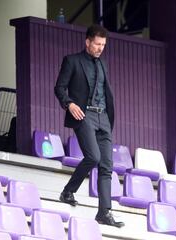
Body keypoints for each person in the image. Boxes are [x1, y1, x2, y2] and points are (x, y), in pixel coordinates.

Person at [54, 25, 124, 228]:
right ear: (87, 42)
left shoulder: (103, 64)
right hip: (84, 114)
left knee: (107, 166)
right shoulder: (72, 60)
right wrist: (69, 104)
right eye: (97, 44)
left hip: (103, 118)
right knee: (93, 157)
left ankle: (104, 213)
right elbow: (59, 87)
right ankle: (68, 191)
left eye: (103, 45)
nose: (101, 48)